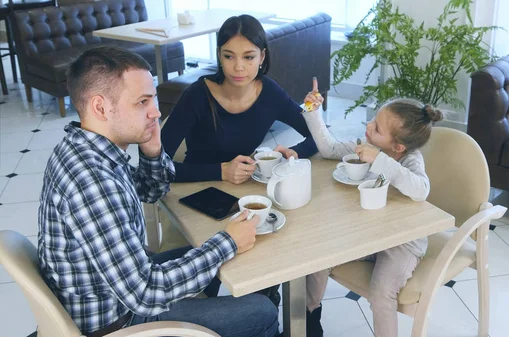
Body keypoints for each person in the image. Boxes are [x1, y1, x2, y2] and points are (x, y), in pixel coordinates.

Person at [37, 45, 279, 337]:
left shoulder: (87, 149)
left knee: (215, 251)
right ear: (100, 107)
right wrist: (228, 242)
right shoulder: (91, 181)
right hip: (119, 323)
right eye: (142, 102)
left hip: (117, 287)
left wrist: (152, 153)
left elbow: (152, 192)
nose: (156, 112)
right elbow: (145, 293)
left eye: (152, 99)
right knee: (262, 311)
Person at [301, 80, 444, 337]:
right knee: (317, 259)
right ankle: (308, 321)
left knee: (381, 294)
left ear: (398, 147)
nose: (368, 126)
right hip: (366, 235)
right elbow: (329, 148)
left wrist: (379, 160)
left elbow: (421, 189)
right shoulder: (371, 146)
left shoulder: (411, 160)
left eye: (376, 128)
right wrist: (313, 111)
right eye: (373, 120)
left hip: (403, 243)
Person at [161, 14, 318, 184]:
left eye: (248, 57)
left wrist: (295, 152)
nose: (238, 67)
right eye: (229, 56)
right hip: (195, 190)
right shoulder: (196, 96)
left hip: (243, 190)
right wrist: (221, 171)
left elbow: (318, 136)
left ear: (262, 57)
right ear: (219, 55)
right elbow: (156, 168)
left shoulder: (270, 93)